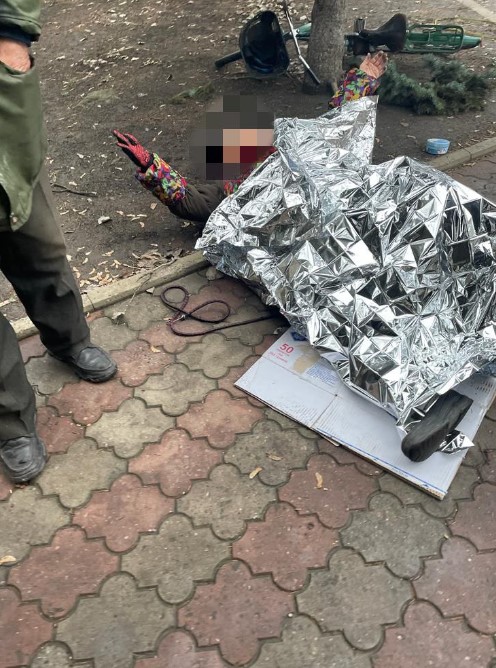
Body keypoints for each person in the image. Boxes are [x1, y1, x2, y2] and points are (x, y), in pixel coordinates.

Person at [0, 1, 117, 484]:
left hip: (3, 128)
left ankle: (70, 341)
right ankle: (10, 421)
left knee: (42, 248)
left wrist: (13, 37)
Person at [114, 52, 388, 226]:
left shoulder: (286, 145)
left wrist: (362, 80)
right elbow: (189, 201)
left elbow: (335, 128)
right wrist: (151, 167)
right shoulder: (231, 193)